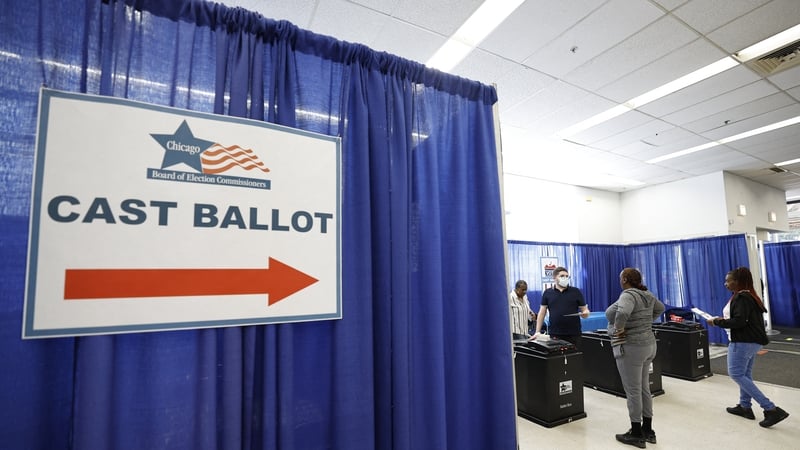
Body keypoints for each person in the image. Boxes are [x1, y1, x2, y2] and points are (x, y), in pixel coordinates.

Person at [706, 266, 789, 428]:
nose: (725, 284)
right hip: (752, 341)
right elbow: (742, 319)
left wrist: (717, 322)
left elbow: (739, 322)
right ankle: (745, 407)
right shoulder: (749, 296)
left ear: (737, 282)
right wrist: (722, 319)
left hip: (743, 342)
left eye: (728, 281)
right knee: (745, 375)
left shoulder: (742, 298)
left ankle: (771, 409)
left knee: (736, 374)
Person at [605, 267, 665, 448]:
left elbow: (622, 313)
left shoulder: (628, 295)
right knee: (644, 388)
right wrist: (645, 323)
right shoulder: (647, 294)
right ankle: (648, 430)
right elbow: (660, 309)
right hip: (649, 345)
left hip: (632, 348)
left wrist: (619, 329)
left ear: (624, 279)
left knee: (633, 391)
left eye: (620, 277)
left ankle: (636, 433)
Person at [531, 267, 589, 348]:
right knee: (557, 359)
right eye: (562, 276)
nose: (565, 278)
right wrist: (537, 331)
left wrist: (585, 313)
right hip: (555, 333)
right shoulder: (547, 293)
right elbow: (542, 312)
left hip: (574, 333)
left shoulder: (576, 291)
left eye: (567, 276)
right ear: (554, 278)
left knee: (575, 358)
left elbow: (585, 310)